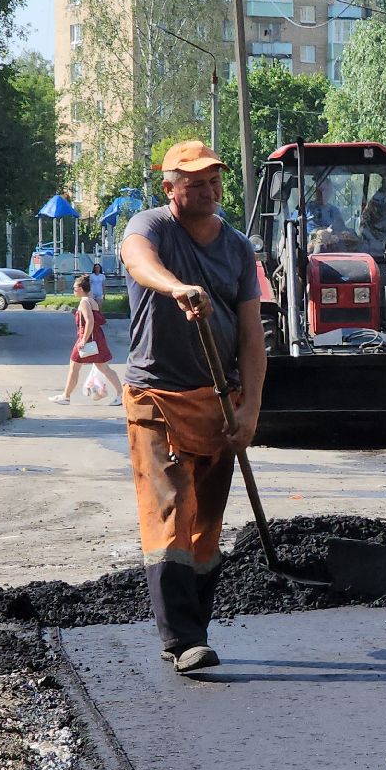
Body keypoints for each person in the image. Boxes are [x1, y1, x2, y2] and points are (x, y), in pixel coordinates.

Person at [116, 140, 265, 675]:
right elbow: (138, 261)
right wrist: (176, 288)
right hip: (156, 394)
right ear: (169, 187)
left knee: (206, 521)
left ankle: (195, 627)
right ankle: (180, 639)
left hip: (220, 399)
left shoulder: (238, 248)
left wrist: (249, 410)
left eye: (212, 181)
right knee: (171, 508)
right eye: (193, 182)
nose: (206, 190)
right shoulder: (151, 226)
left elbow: (252, 336)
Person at [49, 274, 121, 405]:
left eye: (75, 288)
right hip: (97, 338)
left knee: (74, 367)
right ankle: (121, 394)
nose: (73, 290)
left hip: (87, 338)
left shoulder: (84, 302)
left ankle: (66, 396)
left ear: (81, 288)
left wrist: (83, 340)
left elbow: (90, 322)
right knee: (103, 367)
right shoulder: (92, 301)